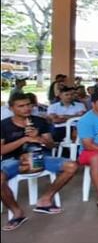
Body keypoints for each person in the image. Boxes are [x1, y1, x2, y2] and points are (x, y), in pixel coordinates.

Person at [1, 94, 78, 231]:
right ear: (11, 108)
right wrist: (24, 140)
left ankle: (45, 199)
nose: (26, 108)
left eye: (28, 105)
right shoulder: (4, 125)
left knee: (71, 166)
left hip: (40, 156)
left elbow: (51, 146)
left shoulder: (39, 122)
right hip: (13, 160)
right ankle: (17, 212)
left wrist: (38, 138)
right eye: (21, 106)